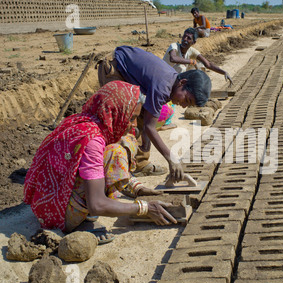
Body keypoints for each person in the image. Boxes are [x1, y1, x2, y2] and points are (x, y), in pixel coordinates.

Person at [24, 81, 177, 243]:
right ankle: (76, 222)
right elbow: (96, 204)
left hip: (46, 201)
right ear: (115, 111)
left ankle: (91, 202)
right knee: (117, 151)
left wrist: (137, 188)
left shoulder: (88, 121)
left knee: (125, 140)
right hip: (55, 213)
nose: (133, 123)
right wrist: (144, 208)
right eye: (131, 117)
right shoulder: (93, 141)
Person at [97, 45, 212, 178]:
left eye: (188, 104)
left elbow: (148, 120)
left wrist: (147, 136)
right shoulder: (163, 87)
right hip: (114, 67)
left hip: (124, 66)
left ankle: (140, 164)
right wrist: (171, 158)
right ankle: (110, 171)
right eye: (186, 99)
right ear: (183, 82)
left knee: (140, 116)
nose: (184, 105)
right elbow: (149, 127)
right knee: (122, 119)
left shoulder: (172, 83)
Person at [163, 28, 233, 85]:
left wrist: (224, 72)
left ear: (193, 42)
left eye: (189, 38)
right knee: (181, 67)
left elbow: (208, 64)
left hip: (173, 79)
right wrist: (191, 61)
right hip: (163, 77)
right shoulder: (174, 46)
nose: (185, 39)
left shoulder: (192, 51)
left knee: (200, 68)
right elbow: (173, 58)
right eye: (184, 36)